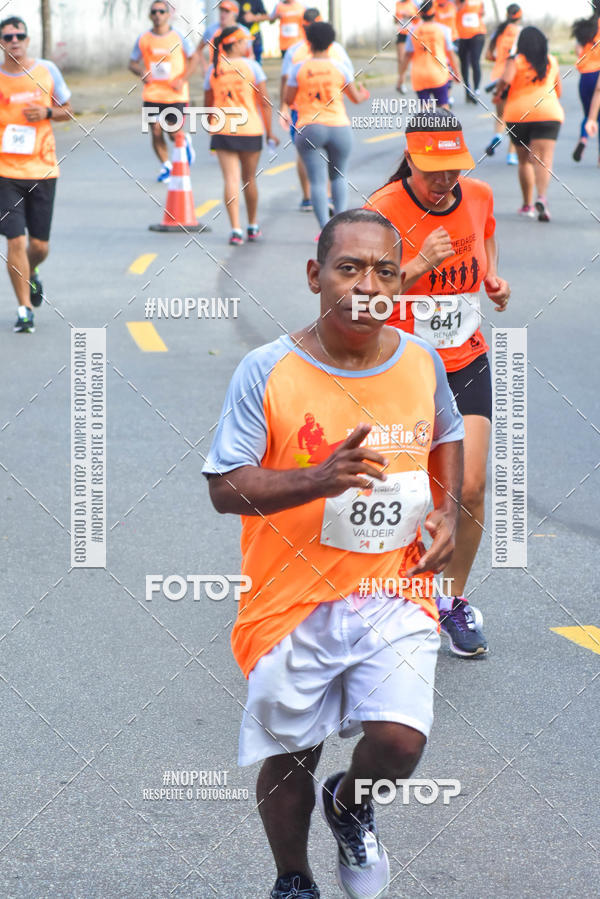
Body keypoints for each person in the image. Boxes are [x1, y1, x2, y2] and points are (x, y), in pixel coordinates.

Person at [203, 208, 464, 899]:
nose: (367, 285)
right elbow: (225, 486)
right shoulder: (267, 370)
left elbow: (447, 433)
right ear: (315, 275)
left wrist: (447, 511)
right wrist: (318, 479)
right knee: (294, 751)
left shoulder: (421, 360)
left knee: (401, 741)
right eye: (349, 268)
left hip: (396, 588)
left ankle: (350, 805)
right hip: (290, 601)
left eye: (384, 270)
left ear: (399, 282)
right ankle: (293, 877)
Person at [367, 111, 511, 657]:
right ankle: (385, 594)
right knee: (397, 491)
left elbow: (486, 241)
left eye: (453, 169)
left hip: (466, 360)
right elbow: (360, 296)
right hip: (402, 368)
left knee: (469, 488)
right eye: (433, 171)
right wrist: (417, 263)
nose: (445, 180)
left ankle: (450, 600)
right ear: (410, 159)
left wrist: (492, 279)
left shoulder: (479, 196)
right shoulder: (381, 211)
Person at [0, 16, 72, 334]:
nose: (14, 41)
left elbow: (68, 109)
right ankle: (24, 310)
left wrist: (47, 112)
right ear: (1, 43)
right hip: (5, 172)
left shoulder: (46, 71)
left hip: (43, 169)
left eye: (19, 35)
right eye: (7, 37)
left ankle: (31, 272)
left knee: (39, 247)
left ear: (28, 40)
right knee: (15, 239)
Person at [285, 22, 369, 230]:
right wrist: (363, 93)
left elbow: (288, 99)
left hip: (310, 126)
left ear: (308, 42)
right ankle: (339, 228)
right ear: (331, 43)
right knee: (339, 176)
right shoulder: (340, 67)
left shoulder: (298, 68)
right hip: (339, 126)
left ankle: (324, 228)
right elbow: (356, 98)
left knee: (317, 182)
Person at [204, 26, 278, 245]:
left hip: (223, 129)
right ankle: (252, 225)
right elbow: (264, 103)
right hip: (249, 129)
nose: (248, 45)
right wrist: (270, 132)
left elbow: (208, 104)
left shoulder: (214, 68)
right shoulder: (253, 67)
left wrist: (211, 125)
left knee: (231, 179)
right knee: (249, 179)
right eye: (244, 41)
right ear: (235, 44)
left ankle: (235, 229)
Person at [280, 8, 352, 211]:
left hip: (305, 115)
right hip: (334, 116)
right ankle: (327, 202)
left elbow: (286, 82)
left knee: (306, 155)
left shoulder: (295, 52)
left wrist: (285, 106)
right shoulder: (337, 50)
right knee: (336, 171)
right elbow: (350, 82)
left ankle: (308, 198)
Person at [496, 25, 563, 221]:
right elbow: (558, 91)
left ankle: (527, 205)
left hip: (519, 115)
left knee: (524, 161)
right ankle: (542, 198)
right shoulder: (551, 61)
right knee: (544, 159)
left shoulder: (515, 60)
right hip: (548, 113)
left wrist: (498, 92)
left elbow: (505, 81)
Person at [129, 1, 196, 183]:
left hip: (175, 93)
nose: (157, 15)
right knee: (156, 130)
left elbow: (193, 58)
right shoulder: (144, 38)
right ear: (150, 15)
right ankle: (166, 165)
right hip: (152, 93)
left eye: (161, 11)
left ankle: (184, 141)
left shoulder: (179, 36)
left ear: (168, 14)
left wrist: (182, 79)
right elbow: (132, 62)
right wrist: (141, 72)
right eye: (154, 12)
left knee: (173, 133)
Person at [402, 0, 460, 109]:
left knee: (425, 109)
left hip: (419, 76)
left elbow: (406, 56)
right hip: (438, 75)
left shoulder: (413, 31)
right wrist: (457, 73)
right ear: (434, 13)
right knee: (443, 107)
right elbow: (451, 54)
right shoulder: (444, 30)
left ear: (420, 14)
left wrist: (401, 77)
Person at [485, 3, 522, 163]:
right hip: (513, 76)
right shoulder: (521, 32)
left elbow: (488, 55)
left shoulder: (499, 31)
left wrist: (498, 60)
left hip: (497, 76)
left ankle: (497, 136)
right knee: (515, 117)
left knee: (501, 115)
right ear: (520, 16)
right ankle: (511, 155)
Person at [571, 8, 600, 163]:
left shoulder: (585, 26)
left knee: (589, 115)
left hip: (586, 75)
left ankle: (583, 138)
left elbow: (578, 50)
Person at [195, 0, 252, 75]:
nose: (223, 14)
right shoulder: (211, 30)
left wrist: (248, 70)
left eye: (227, 11)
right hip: (217, 73)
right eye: (221, 10)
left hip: (237, 73)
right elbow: (198, 50)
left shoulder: (244, 31)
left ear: (235, 14)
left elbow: (250, 55)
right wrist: (204, 67)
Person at [455, 0, 486, 102]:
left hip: (477, 34)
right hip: (462, 36)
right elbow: (454, 10)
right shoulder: (456, 2)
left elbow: (482, 12)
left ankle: (476, 90)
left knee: (475, 61)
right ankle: (467, 90)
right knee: (464, 64)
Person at [435, 0, 459, 106]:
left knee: (450, 67)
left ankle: (448, 95)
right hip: (440, 40)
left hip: (453, 39)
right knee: (443, 66)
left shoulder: (452, 4)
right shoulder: (434, 6)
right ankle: (443, 94)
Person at [395, 0, 419, 92]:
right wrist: (397, 18)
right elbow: (395, 20)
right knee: (401, 59)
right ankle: (401, 82)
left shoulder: (414, 3)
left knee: (411, 59)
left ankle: (402, 82)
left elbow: (419, 16)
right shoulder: (398, 4)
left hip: (411, 33)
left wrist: (409, 16)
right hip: (401, 33)